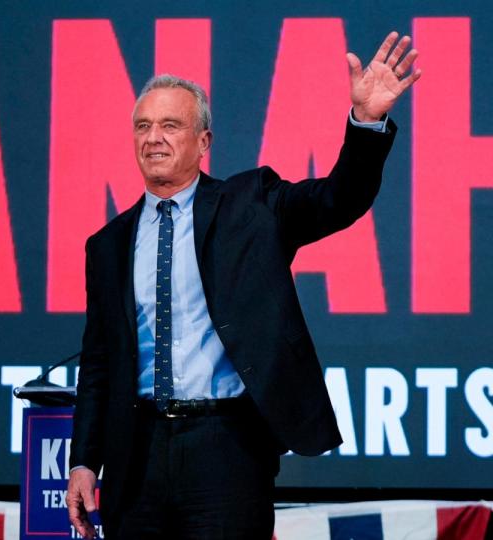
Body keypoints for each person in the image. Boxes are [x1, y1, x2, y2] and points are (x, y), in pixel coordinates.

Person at [66, 32, 421, 539]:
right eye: (143, 126)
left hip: (226, 447)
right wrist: (84, 461)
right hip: (135, 454)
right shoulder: (108, 244)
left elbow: (338, 200)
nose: (153, 138)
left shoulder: (251, 204)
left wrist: (365, 124)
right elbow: (99, 363)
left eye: (170, 125)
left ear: (203, 142)